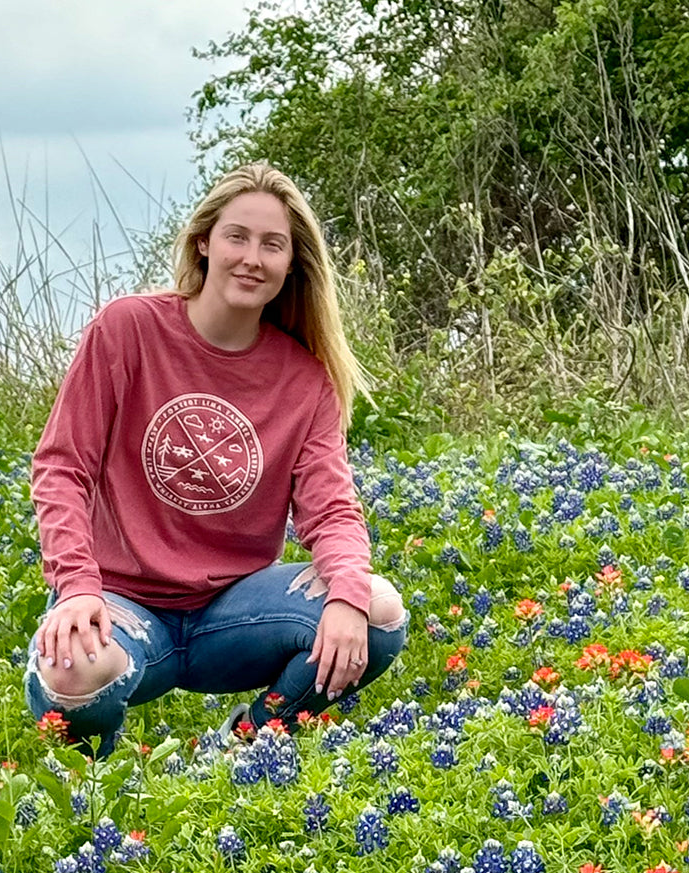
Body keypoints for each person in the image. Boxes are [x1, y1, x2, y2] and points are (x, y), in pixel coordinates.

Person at [22, 163, 408, 758]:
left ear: (291, 263)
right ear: (204, 241)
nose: (252, 257)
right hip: (123, 602)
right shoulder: (129, 329)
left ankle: (243, 750)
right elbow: (62, 467)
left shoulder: (305, 380)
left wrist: (348, 596)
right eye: (237, 236)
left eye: (272, 244)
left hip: (233, 614)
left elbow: (331, 511)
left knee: (377, 611)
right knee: (73, 672)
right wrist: (75, 587)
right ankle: (97, 785)